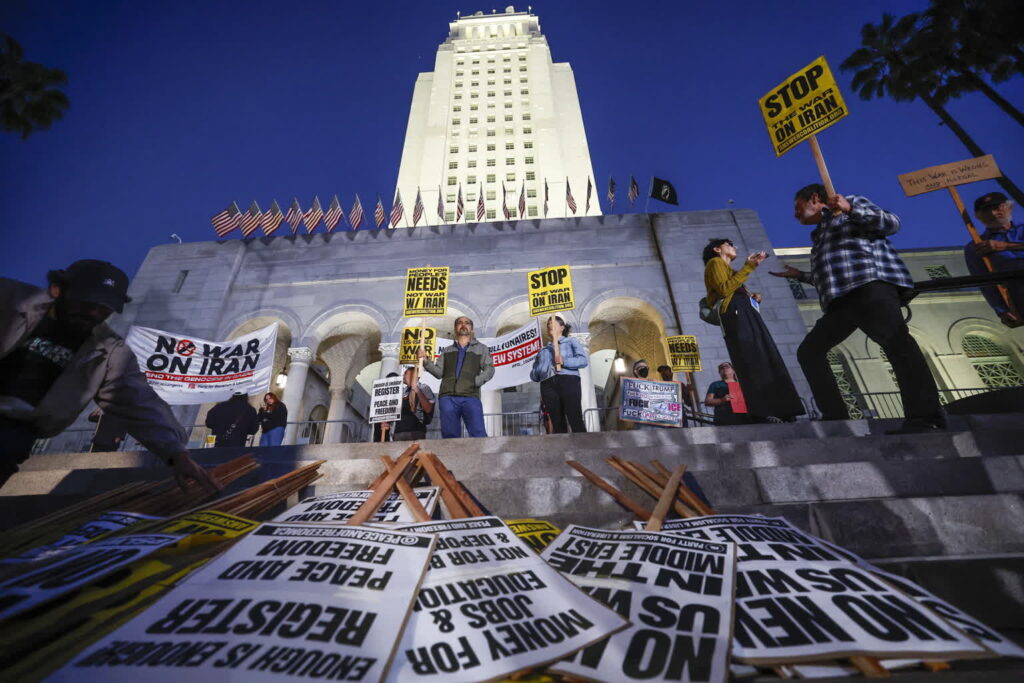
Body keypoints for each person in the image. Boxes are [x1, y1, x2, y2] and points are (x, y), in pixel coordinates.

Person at [0, 260, 220, 492]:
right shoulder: (9, 299)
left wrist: (177, 454)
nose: (94, 312)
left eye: (104, 307)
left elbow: (139, 401)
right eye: (87, 302)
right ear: (57, 289)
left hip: (13, 431)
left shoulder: (110, 351)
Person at [770, 183, 944, 434]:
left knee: (897, 345)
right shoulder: (820, 233)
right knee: (809, 351)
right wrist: (800, 276)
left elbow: (891, 223)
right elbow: (830, 274)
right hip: (841, 300)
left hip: (869, 286)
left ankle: (926, 416)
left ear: (815, 199)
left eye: (798, 207)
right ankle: (836, 416)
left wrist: (850, 209)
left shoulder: (850, 204)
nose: (795, 214)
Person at [704, 238, 804, 422]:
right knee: (751, 358)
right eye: (729, 244)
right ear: (717, 249)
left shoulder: (729, 269)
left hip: (745, 311)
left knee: (765, 355)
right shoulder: (715, 262)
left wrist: (751, 296)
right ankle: (763, 410)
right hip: (734, 314)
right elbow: (725, 290)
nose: (734, 247)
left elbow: (733, 286)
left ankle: (782, 408)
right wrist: (749, 266)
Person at [419, 316, 495, 438]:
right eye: (460, 323)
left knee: (478, 434)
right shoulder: (447, 351)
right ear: (455, 329)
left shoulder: (481, 349)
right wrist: (426, 361)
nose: (463, 325)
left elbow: (490, 369)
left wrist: (476, 381)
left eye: (467, 323)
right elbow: (439, 373)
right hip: (448, 398)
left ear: (472, 329)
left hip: (470, 396)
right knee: (450, 436)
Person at [963, 192, 1024, 328]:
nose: (993, 213)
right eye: (985, 211)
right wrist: (1001, 310)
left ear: (1010, 207)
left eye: (997, 207)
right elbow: (984, 282)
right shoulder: (976, 246)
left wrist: (1005, 246)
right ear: (978, 217)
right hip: (1017, 293)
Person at [529, 316, 589, 433]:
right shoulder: (543, 350)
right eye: (548, 324)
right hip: (547, 384)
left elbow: (583, 360)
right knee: (557, 422)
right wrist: (539, 370)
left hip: (568, 379)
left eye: (553, 323)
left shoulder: (571, 341)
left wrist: (564, 361)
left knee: (574, 417)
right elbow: (534, 374)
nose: (549, 325)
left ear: (562, 327)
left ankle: (583, 443)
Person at [393, 366, 436, 441]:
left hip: (416, 432)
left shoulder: (424, 388)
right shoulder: (402, 392)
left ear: (413, 375)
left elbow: (428, 409)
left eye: (405, 373)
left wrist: (417, 391)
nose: (403, 376)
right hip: (398, 432)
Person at [704, 362, 749, 426]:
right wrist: (722, 400)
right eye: (722, 368)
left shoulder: (742, 384)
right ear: (719, 372)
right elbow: (707, 401)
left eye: (727, 367)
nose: (724, 369)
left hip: (743, 419)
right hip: (723, 420)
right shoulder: (715, 385)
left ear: (733, 370)